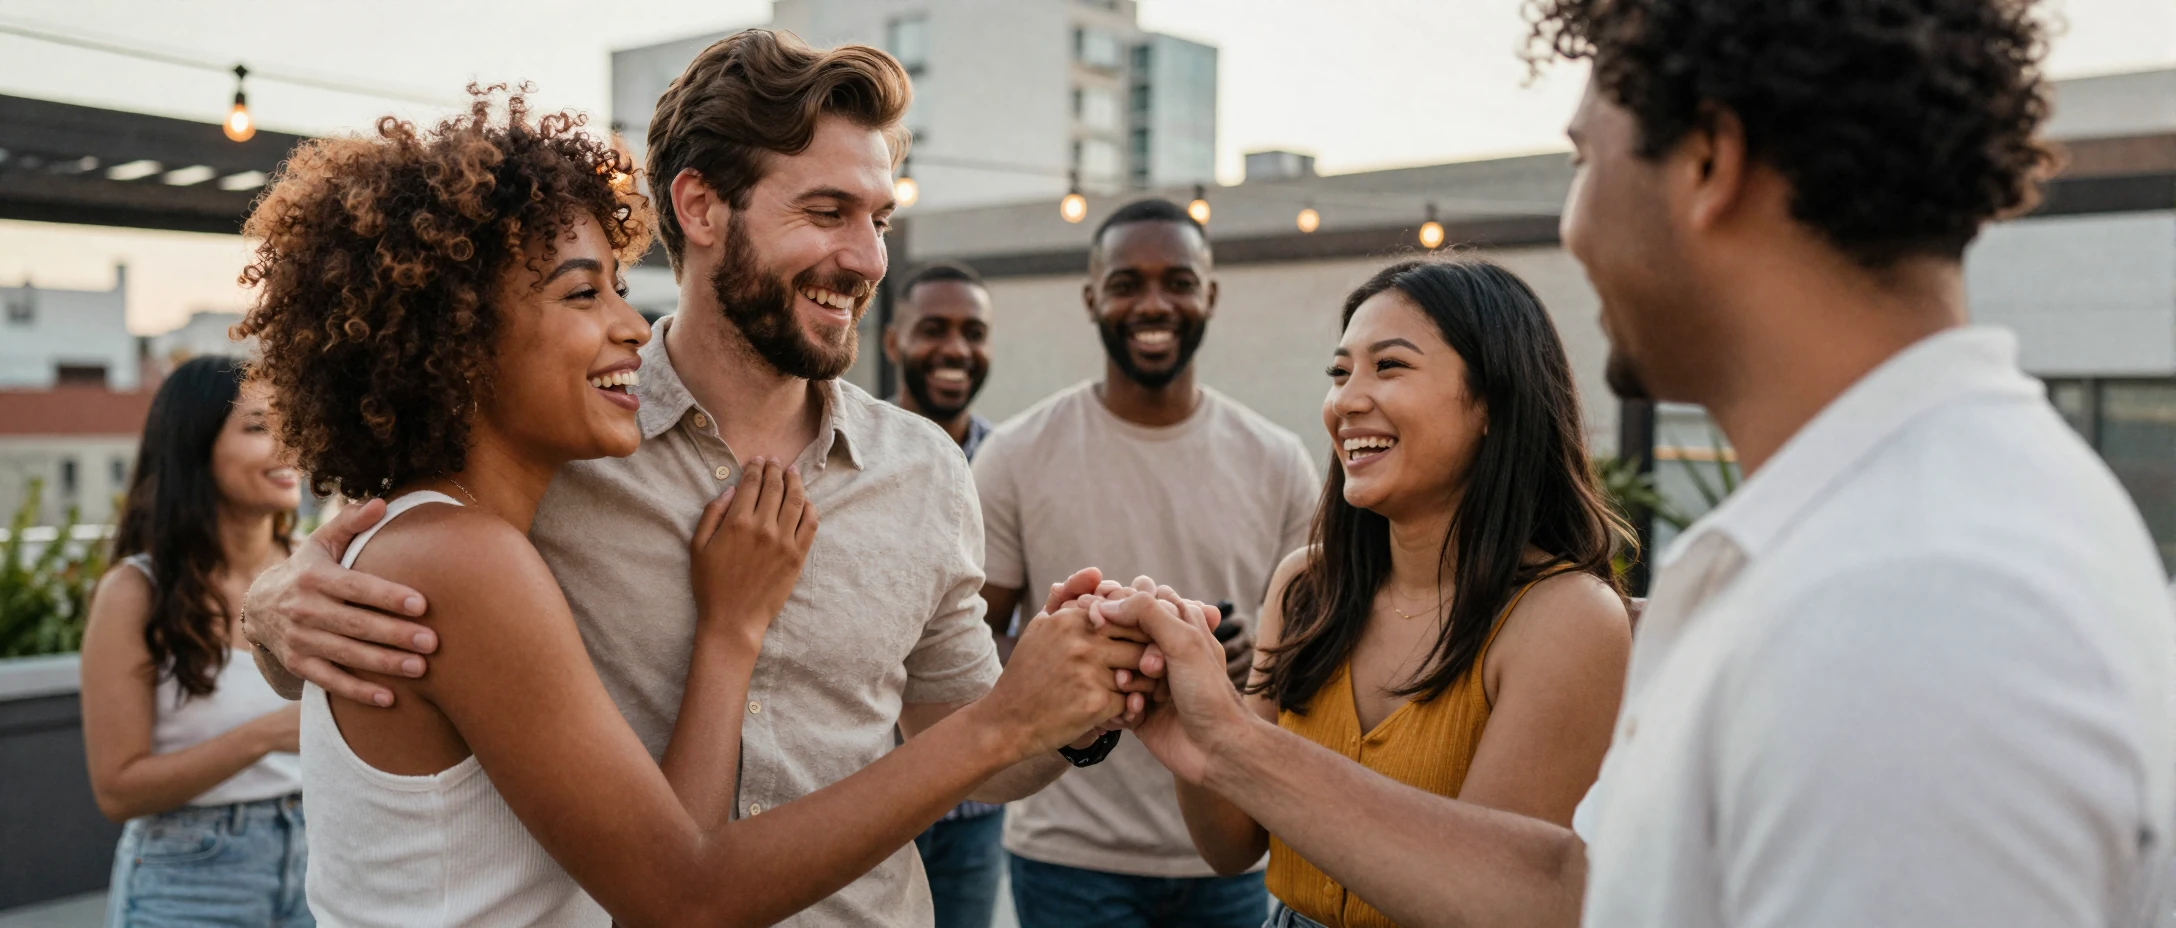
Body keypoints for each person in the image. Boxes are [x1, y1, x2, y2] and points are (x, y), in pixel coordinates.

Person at [1106, 1, 2176, 926]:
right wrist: (1221, 740)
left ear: (1707, 163)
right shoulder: (1878, 543)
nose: (1573, 228)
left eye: (1583, 161)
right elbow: (1572, 884)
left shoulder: (1912, 607)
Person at [239, 35, 1151, 927]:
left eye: (879, 220)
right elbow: (374, 600)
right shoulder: (553, 441)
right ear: (702, 207)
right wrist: (273, 608)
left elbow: (974, 737)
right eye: (827, 212)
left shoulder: (925, 470)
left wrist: (1079, 700)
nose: (869, 258)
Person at [1175, 258, 1631, 928]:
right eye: (1340, 373)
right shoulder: (1305, 587)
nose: (1345, 402)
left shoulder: (1568, 618)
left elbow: (1486, 902)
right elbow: (1229, 847)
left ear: (1492, 401)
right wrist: (1187, 707)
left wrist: (1237, 743)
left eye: (1388, 366)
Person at [973, 197, 1319, 927]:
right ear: (1091, 298)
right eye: (1127, 283)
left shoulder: (1280, 461)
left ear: (1210, 295)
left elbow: (1318, 653)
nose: (1154, 304)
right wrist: (1076, 659)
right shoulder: (1016, 454)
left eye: (1179, 283)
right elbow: (968, 645)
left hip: (1234, 849)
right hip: (1069, 854)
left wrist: (1248, 663)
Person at [79, 355, 311, 927]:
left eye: (290, 425)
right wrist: (267, 735)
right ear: (195, 446)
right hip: (190, 874)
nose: (288, 446)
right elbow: (118, 791)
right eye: (258, 427)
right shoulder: (135, 591)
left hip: (321, 859)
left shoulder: (317, 568)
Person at [884, 259, 1007, 928]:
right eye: (934, 329)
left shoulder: (1008, 464)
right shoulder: (851, 455)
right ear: (893, 342)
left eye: (973, 332)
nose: (955, 348)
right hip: (869, 789)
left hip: (973, 811)